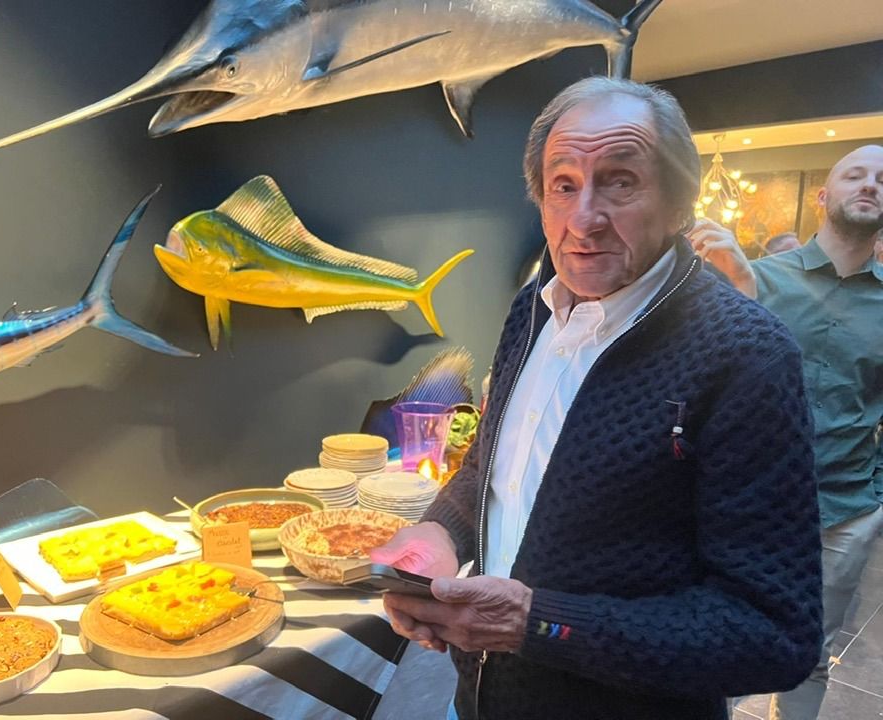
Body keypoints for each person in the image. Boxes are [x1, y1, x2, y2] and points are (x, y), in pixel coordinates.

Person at [370, 76, 823, 720]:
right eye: (563, 185)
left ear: (679, 204)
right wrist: (440, 530)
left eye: (620, 181)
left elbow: (773, 635)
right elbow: (493, 466)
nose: (584, 218)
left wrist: (535, 624)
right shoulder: (532, 309)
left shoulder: (745, 352)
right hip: (478, 700)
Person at [687, 144, 883, 720]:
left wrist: (877, 495)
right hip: (750, 504)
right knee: (719, 641)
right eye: (855, 174)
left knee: (812, 652)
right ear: (823, 196)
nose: (870, 184)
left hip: (845, 510)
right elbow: (708, 378)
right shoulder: (753, 277)